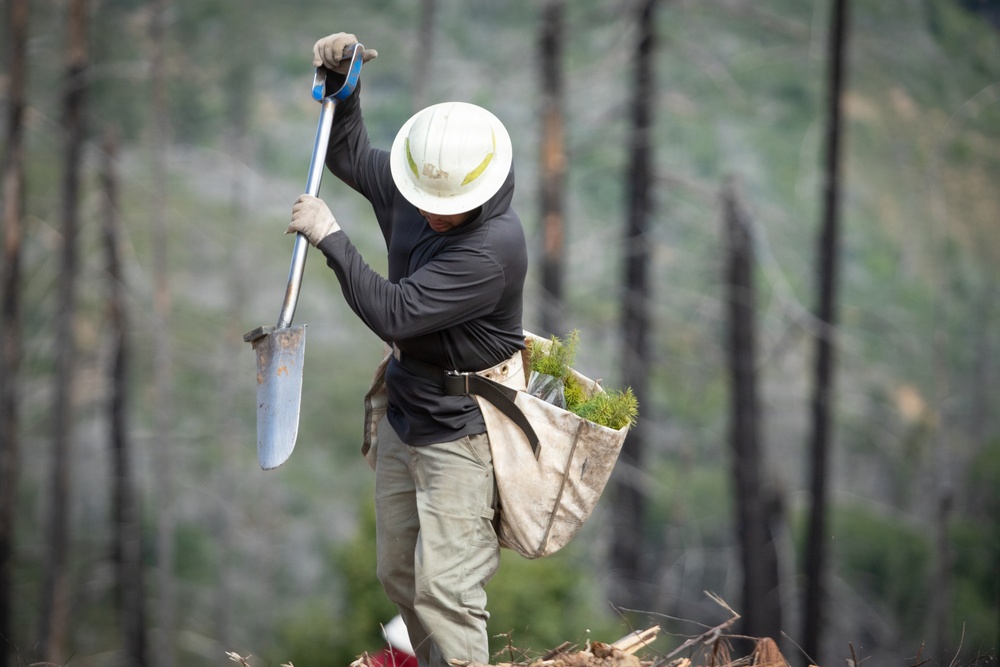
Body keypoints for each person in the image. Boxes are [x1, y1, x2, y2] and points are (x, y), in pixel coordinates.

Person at [286, 32, 528, 667]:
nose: (435, 215)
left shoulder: (491, 251)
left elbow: (396, 314)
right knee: (399, 576)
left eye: (450, 208)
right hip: (406, 411)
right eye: (429, 203)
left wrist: (332, 238)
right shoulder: (424, 187)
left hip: (463, 434)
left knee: (446, 590)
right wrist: (345, 87)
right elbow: (352, 158)